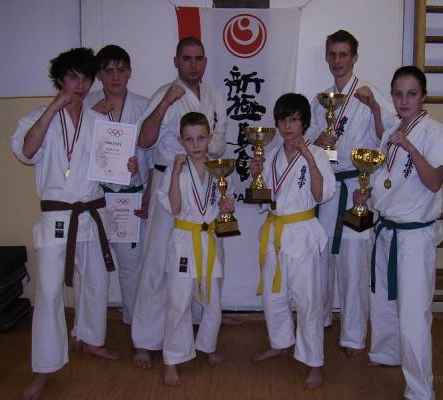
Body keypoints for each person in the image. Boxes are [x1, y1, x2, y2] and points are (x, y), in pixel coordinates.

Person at [11, 48, 135, 400]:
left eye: (85, 78)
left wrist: (126, 168)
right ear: (59, 80)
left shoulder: (99, 123)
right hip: (57, 217)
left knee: (96, 281)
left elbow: (109, 170)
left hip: (92, 213)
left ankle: (91, 338)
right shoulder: (38, 117)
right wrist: (53, 108)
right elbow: (26, 152)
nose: (80, 85)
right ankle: (44, 368)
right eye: (72, 77)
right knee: (50, 292)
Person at [132, 37, 228, 368]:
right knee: (157, 264)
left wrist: (206, 150)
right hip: (170, 181)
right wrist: (164, 104)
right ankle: (146, 340)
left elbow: (220, 140)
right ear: (176, 61)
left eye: (199, 58)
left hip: (205, 182)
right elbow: (144, 140)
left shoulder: (213, 95)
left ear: (205, 61)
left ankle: (201, 337)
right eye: (186, 58)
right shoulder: (165, 93)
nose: (193, 64)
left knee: (206, 264)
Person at [362, 66, 443, 400]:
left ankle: (420, 390)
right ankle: (387, 352)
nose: (403, 100)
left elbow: (434, 182)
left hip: (414, 237)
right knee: (383, 301)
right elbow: (387, 180)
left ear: (423, 96)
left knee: (414, 315)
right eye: (398, 94)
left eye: (411, 94)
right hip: (387, 229)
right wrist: (366, 193)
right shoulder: (391, 132)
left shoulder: (434, 132)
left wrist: (412, 148)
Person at [308, 30, 398, 357]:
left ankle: (354, 336)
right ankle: (319, 321)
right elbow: (308, 137)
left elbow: (388, 138)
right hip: (328, 188)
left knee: (354, 263)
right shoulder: (321, 100)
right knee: (322, 260)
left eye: (343, 54)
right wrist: (318, 141)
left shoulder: (370, 95)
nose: (337, 61)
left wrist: (373, 107)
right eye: (332, 54)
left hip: (357, 189)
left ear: (354, 57)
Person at [250, 93, 336, 389]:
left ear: (304, 123)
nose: (288, 126)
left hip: (302, 233)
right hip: (274, 231)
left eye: (294, 119)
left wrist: (309, 159)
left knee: (308, 300)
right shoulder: (270, 155)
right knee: (273, 296)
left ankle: (314, 362)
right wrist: (256, 177)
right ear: (276, 123)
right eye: (283, 120)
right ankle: (280, 342)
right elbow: (264, 200)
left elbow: (321, 195)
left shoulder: (320, 154)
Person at [158, 112, 233, 386]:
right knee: (179, 301)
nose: (196, 144)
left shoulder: (219, 168)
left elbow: (224, 204)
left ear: (209, 138)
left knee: (213, 299)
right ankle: (171, 359)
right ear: (181, 141)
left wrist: (227, 207)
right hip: (184, 240)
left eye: (201, 138)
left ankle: (208, 346)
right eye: (189, 139)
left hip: (210, 239)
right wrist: (177, 171)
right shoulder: (174, 169)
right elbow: (175, 207)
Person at [79, 44, 151, 328]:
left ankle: (135, 325)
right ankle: (84, 330)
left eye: (121, 70)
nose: (116, 76)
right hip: (94, 198)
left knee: (132, 267)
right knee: (90, 268)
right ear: (99, 75)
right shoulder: (86, 104)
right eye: (108, 71)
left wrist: (140, 170)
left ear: (130, 72)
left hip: (130, 198)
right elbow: (74, 147)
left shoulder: (144, 106)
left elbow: (152, 152)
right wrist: (91, 115)